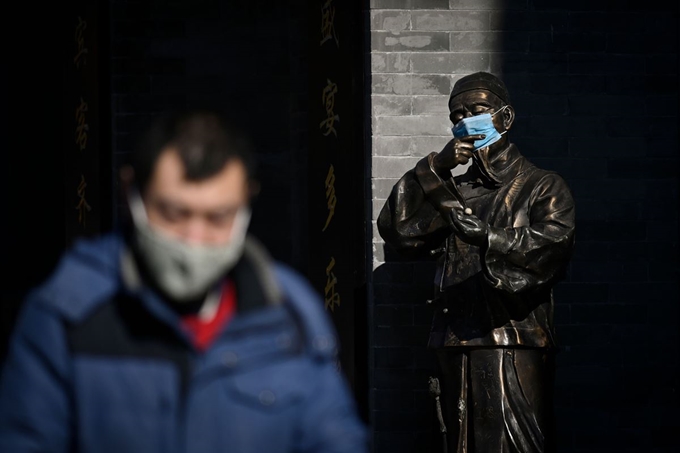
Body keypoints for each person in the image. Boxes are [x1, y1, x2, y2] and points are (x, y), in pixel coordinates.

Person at [0, 110, 367, 453]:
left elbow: (334, 436)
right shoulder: (67, 316)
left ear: (246, 202)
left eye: (218, 217)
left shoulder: (288, 312)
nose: (194, 238)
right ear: (132, 194)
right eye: (174, 214)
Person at [378, 72, 575, 452]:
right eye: (457, 115)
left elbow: (553, 244)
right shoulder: (456, 191)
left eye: (478, 109)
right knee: (458, 441)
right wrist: (435, 168)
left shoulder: (541, 185)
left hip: (509, 338)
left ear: (505, 117)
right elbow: (400, 230)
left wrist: (489, 236)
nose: (466, 120)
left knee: (509, 442)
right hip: (454, 338)